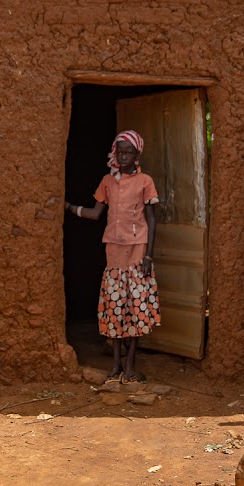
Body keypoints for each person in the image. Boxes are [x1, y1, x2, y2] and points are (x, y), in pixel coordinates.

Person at [65, 130, 161, 382]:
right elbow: (96, 213)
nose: (124, 156)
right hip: (114, 250)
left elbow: (152, 220)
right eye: (120, 152)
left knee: (135, 307)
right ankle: (116, 366)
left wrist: (149, 257)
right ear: (114, 153)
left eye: (129, 152)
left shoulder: (145, 182)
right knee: (115, 307)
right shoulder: (108, 181)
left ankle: (130, 365)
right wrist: (68, 208)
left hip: (138, 250)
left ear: (137, 154)